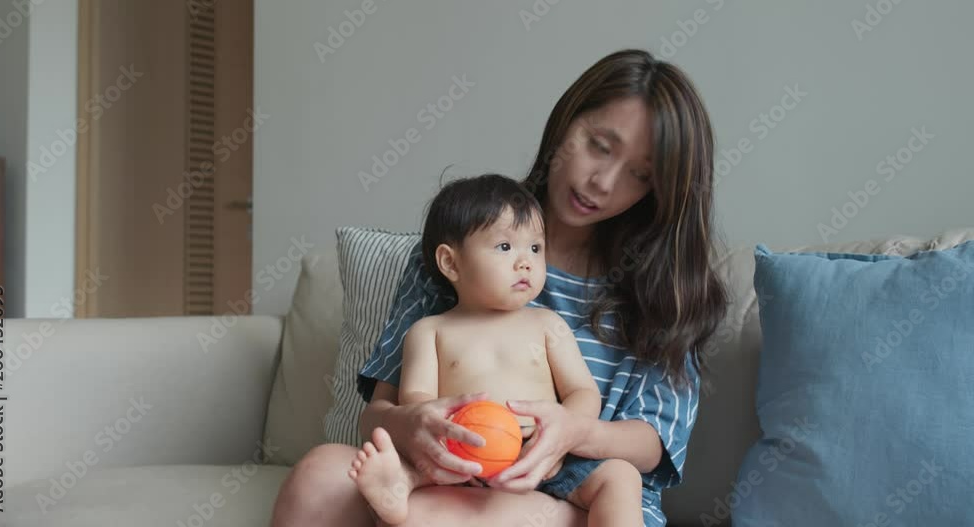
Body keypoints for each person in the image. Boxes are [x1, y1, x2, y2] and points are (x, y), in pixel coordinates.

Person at [271, 48, 728, 527]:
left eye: (639, 174)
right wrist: (415, 424)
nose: (602, 181)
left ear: (657, 189)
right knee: (319, 475)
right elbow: (378, 415)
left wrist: (572, 431)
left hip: (580, 500)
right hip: (461, 476)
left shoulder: (667, 290)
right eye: (599, 144)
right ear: (566, 122)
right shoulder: (466, 237)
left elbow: (654, 443)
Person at [347, 173, 645, 526]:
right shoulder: (429, 331)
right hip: (461, 455)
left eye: (535, 247)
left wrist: (563, 431)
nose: (526, 262)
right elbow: (417, 399)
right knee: (415, 467)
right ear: (451, 263)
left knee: (622, 476)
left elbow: (582, 391)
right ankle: (400, 487)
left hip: (543, 458)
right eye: (505, 247)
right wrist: (444, 434)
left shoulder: (548, 325)